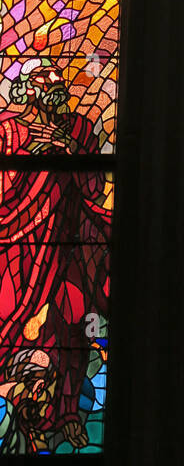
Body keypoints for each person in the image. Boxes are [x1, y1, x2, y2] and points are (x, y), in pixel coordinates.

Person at [0, 58, 110, 446]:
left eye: (58, 80)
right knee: (14, 323)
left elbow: (94, 188)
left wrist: (69, 149)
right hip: (17, 250)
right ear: (26, 88)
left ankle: (65, 413)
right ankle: (11, 408)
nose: (55, 86)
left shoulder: (78, 129)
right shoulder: (7, 130)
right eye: (45, 81)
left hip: (69, 247)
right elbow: (3, 192)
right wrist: (35, 156)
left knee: (72, 324)